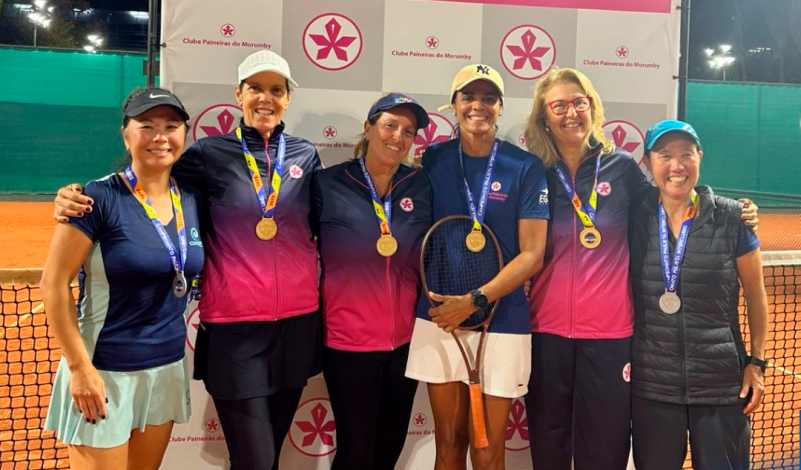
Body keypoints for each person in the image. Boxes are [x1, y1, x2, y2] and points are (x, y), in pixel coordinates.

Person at [53, 50, 322, 470]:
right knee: (256, 459)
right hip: (233, 330)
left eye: (276, 89)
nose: (265, 98)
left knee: (269, 456)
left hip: (295, 326)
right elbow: (144, 183)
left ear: (288, 98)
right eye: (255, 88)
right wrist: (73, 195)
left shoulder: (306, 155)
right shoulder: (207, 154)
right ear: (238, 94)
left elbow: (327, 222)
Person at [522, 67, 759, 470]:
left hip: (611, 337)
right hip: (546, 332)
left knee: (604, 454)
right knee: (549, 449)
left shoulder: (621, 168)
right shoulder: (533, 173)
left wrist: (733, 210)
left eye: (579, 102)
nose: (571, 112)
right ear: (544, 117)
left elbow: (672, 195)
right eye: (559, 105)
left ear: (592, 107)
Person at [41, 88, 203, 470]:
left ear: (184, 134)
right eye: (146, 125)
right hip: (104, 370)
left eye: (171, 126)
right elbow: (53, 283)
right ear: (126, 134)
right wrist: (79, 368)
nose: (160, 136)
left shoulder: (192, 198)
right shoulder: (97, 198)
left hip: (166, 368)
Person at [405, 64, 549, 470]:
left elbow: (532, 254)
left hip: (502, 318)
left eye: (489, 98)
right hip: (440, 315)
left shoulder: (525, 167)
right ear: (453, 105)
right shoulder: (434, 158)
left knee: (487, 451)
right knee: (449, 443)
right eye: (468, 97)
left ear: (500, 107)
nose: (478, 106)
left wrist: (475, 300)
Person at [628, 120, 768, 470]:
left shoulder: (733, 217)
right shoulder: (631, 217)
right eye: (665, 156)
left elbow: (755, 294)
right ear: (647, 162)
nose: (677, 166)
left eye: (686, 154)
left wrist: (757, 363)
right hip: (653, 385)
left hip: (721, 385)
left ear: (700, 157)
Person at [311, 93, 432, 470]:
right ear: (368, 128)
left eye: (408, 131)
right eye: (390, 126)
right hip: (347, 342)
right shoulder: (327, 183)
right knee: (356, 453)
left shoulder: (421, 185)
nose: (398, 137)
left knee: (389, 449)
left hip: (406, 344)